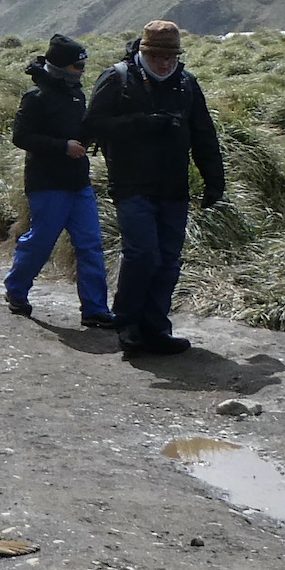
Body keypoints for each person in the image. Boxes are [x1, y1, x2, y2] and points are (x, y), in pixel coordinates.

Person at [84, 20, 225, 358]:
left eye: (172, 56)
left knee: (168, 261)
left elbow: (204, 135)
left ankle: (157, 327)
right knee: (143, 254)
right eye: (159, 56)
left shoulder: (187, 84)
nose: (166, 63)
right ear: (144, 52)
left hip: (174, 187)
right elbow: (91, 126)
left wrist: (214, 179)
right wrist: (141, 124)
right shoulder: (118, 78)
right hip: (131, 184)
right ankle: (128, 323)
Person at [0, 34, 118, 328]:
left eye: (83, 65)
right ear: (62, 66)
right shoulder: (35, 97)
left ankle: (95, 309)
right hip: (48, 183)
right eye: (78, 65)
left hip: (78, 183)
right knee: (41, 241)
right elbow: (21, 137)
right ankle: (16, 289)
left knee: (90, 244)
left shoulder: (77, 94)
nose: (82, 70)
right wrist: (62, 146)